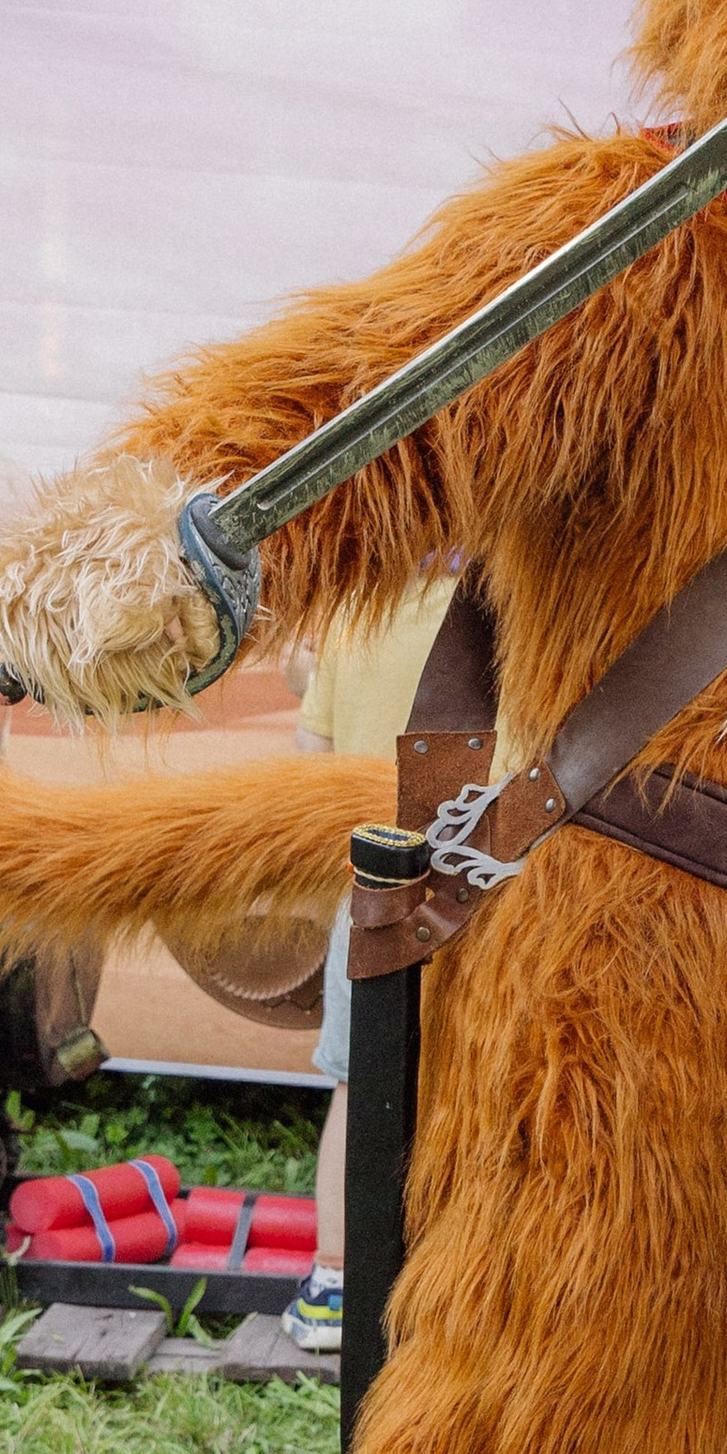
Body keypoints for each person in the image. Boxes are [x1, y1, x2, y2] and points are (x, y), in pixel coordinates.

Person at [283, 574, 455, 1352]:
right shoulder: (491, 620)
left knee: (358, 1083)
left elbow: (310, 762)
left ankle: (332, 1284)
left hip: (364, 894)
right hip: (471, 897)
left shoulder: (350, 623)